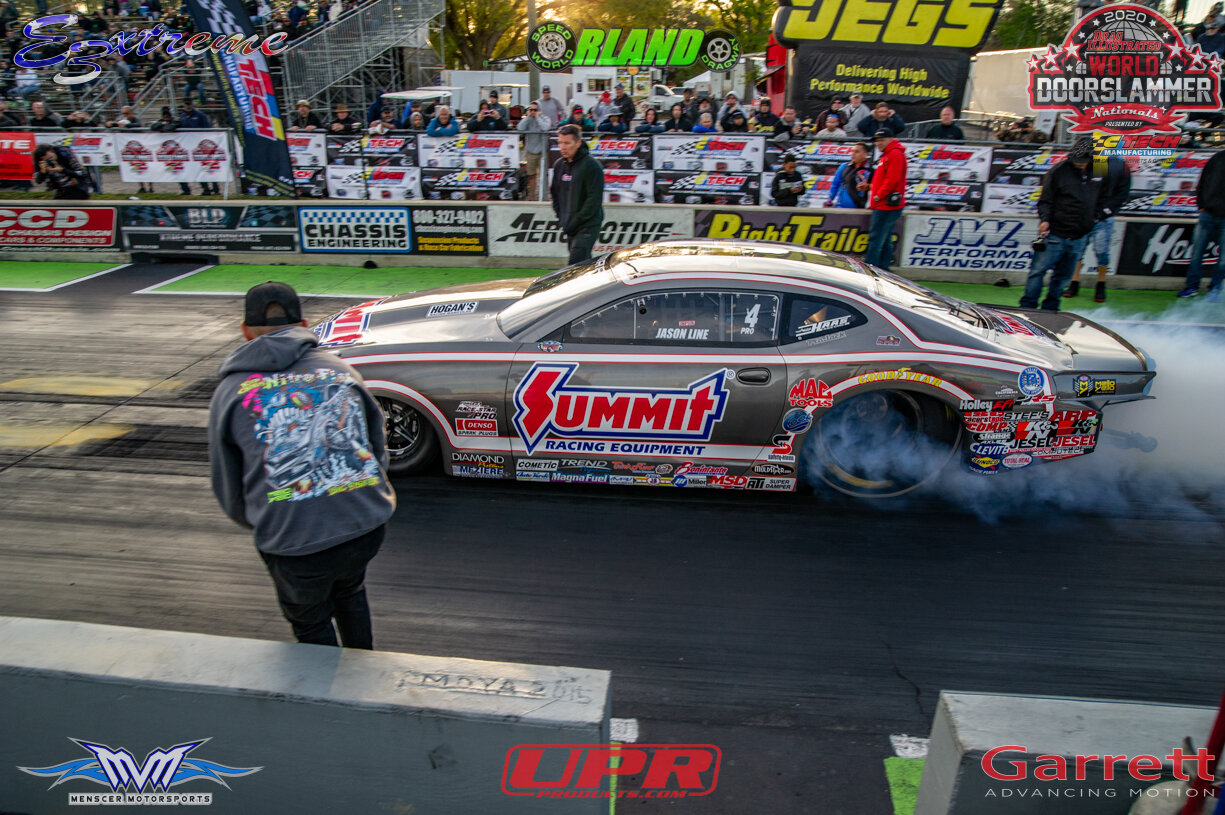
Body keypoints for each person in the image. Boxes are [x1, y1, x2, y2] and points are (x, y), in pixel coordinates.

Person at [208, 282, 395, 649]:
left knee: (310, 624)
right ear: (304, 325)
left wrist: (265, 519)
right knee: (350, 591)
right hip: (364, 525)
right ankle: (364, 670)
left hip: (292, 540)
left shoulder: (229, 392)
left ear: (245, 331)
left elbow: (226, 481)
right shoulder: (342, 370)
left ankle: (324, 684)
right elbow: (377, 447)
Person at [1019, 138, 1100, 311]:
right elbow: (1045, 200)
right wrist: (1045, 220)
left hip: (1079, 235)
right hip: (1055, 233)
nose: (1079, 163)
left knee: (1063, 277)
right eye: (1077, 160)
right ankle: (1027, 307)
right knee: (1037, 271)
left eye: (1083, 160)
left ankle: (1051, 309)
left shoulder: (1101, 170)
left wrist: (1099, 215)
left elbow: (1112, 191)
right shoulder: (1058, 171)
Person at [1065, 153, 1130, 303]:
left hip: (1103, 218)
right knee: (1077, 251)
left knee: (1101, 252)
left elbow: (1122, 193)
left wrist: (1106, 211)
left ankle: (1101, 284)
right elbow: (1092, 188)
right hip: (1084, 217)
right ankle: (1074, 283)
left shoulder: (1119, 165)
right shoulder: (1094, 163)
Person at [550, 123, 604, 264]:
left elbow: (594, 199)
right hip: (569, 224)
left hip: (587, 224)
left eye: (567, 143)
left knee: (575, 264)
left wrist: (577, 220)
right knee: (583, 267)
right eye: (560, 143)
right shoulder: (559, 165)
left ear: (578, 143)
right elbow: (555, 194)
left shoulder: (591, 165)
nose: (563, 147)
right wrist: (562, 217)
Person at [1177, 149, 1225, 300]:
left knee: (1223, 259)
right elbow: (1203, 180)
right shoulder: (1217, 157)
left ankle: (1215, 289)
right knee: (1196, 253)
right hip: (1207, 213)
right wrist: (1201, 204)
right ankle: (1192, 287)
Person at [863, 129, 907, 270]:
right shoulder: (889, 154)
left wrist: (878, 195)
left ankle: (871, 270)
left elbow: (893, 179)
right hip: (884, 204)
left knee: (876, 239)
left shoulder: (894, 154)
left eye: (881, 140)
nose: (878, 143)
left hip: (886, 205)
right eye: (877, 141)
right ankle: (883, 269)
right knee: (885, 239)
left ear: (890, 139)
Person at [178, 100, 220, 196]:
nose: (188, 106)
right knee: (196, 168)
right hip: (189, 145)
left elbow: (207, 127)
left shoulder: (200, 115)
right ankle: (205, 189)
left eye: (189, 104)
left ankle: (216, 189)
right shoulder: (182, 116)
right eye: (186, 104)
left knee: (208, 166)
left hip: (201, 145)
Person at [517, 101, 550, 200]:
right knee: (531, 175)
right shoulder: (527, 119)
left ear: (539, 110)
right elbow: (520, 128)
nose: (533, 112)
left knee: (544, 175)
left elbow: (545, 128)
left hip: (542, 151)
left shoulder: (545, 118)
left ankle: (545, 196)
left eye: (535, 110)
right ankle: (532, 197)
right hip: (530, 151)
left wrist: (538, 117)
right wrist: (528, 117)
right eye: (531, 109)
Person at [827, 142, 872, 208]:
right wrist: (829, 202)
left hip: (860, 209)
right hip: (840, 207)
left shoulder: (870, 170)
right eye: (852, 151)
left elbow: (875, 188)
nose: (853, 154)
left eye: (856, 152)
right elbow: (835, 185)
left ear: (865, 154)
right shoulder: (844, 167)